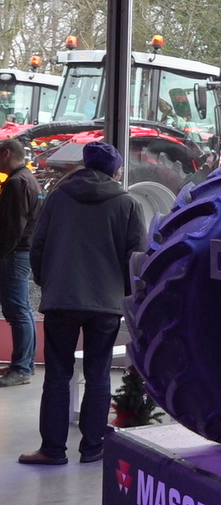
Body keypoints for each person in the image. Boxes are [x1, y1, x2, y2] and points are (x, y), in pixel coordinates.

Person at [19, 142, 145, 465]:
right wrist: (124, 293)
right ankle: (93, 447)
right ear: (114, 170)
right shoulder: (128, 204)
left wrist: (48, 282)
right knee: (99, 373)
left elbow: (37, 246)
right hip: (105, 303)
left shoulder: (59, 197)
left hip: (61, 299)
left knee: (57, 374)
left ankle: (52, 450)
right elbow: (136, 258)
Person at [0, 137, 41, 387]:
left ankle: (21, 367)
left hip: (14, 254)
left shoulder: (16, 183)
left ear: (6, 154)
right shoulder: (27, 179)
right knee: (22, 310)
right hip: (22, 253)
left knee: (17, 312)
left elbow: (13, 227)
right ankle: (25, 364)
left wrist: (2, 252)